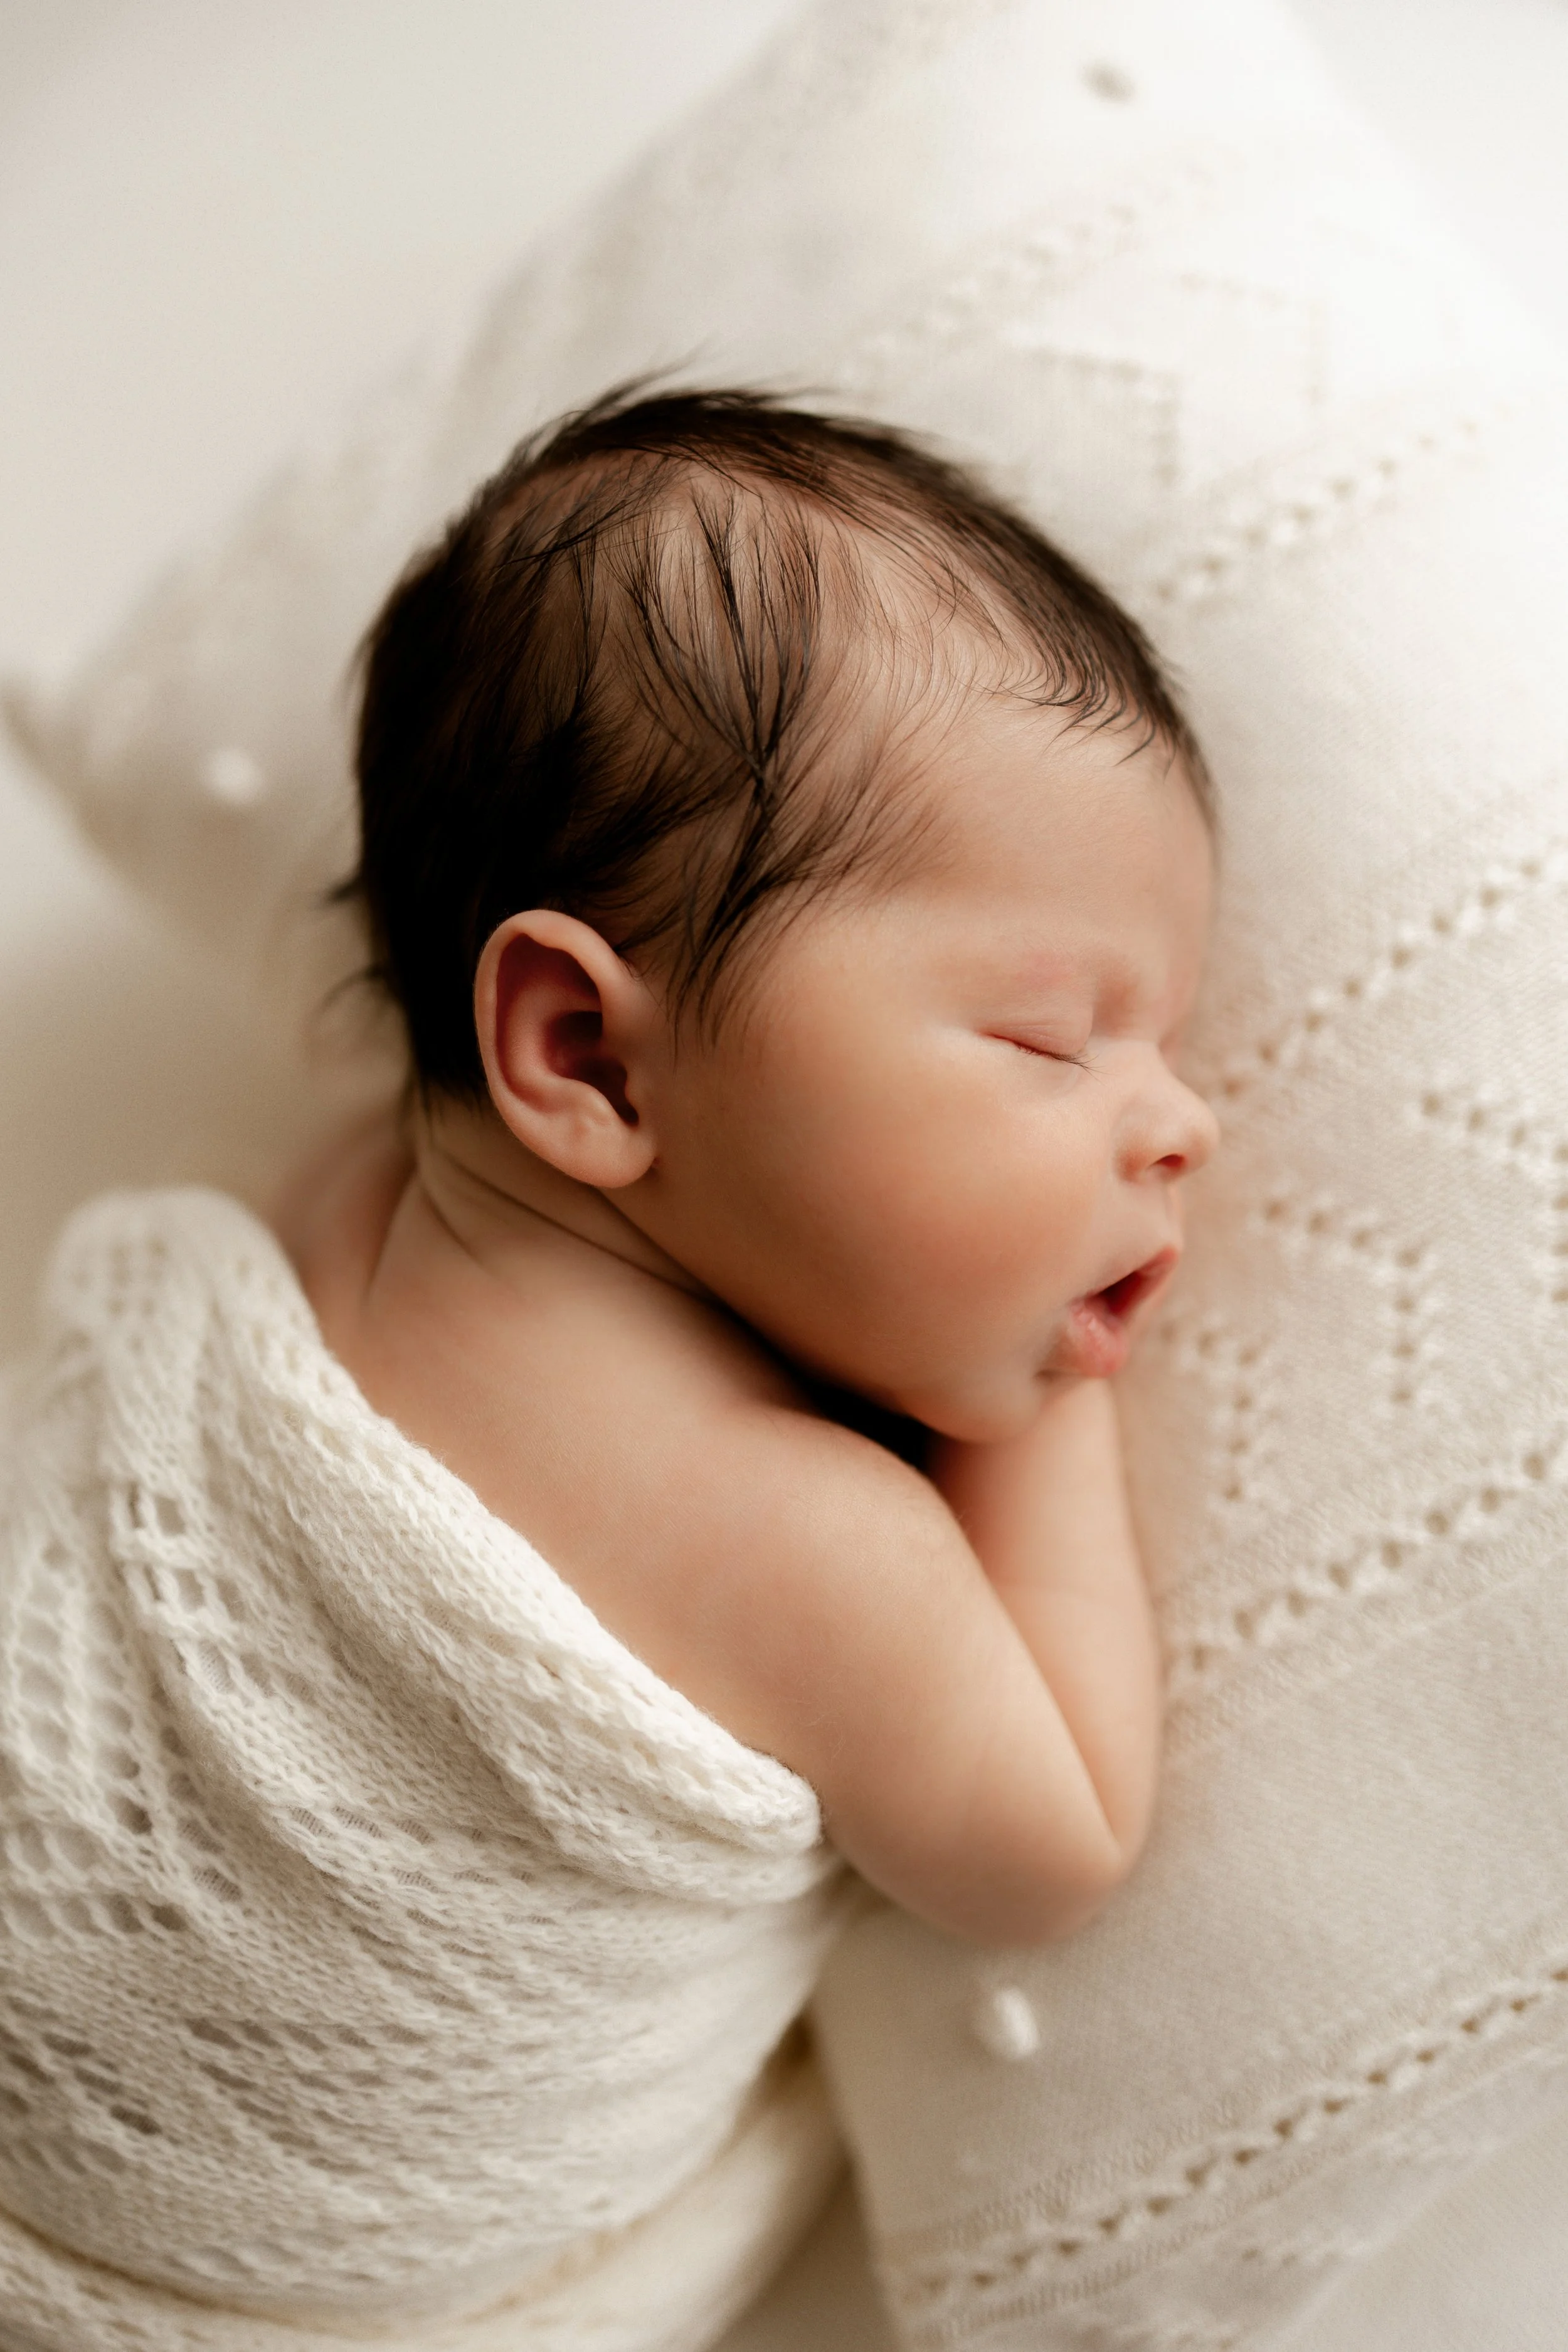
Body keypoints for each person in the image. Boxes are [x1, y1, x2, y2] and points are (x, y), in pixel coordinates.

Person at [277, 383, 1219, 1947]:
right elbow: (1058, 1853)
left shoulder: (324, 1209)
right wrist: (1048, 1393)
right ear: (578, 1051)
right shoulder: (797, 1542)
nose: (1185, 1123)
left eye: (1166, 1046)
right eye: (1049, 1040)